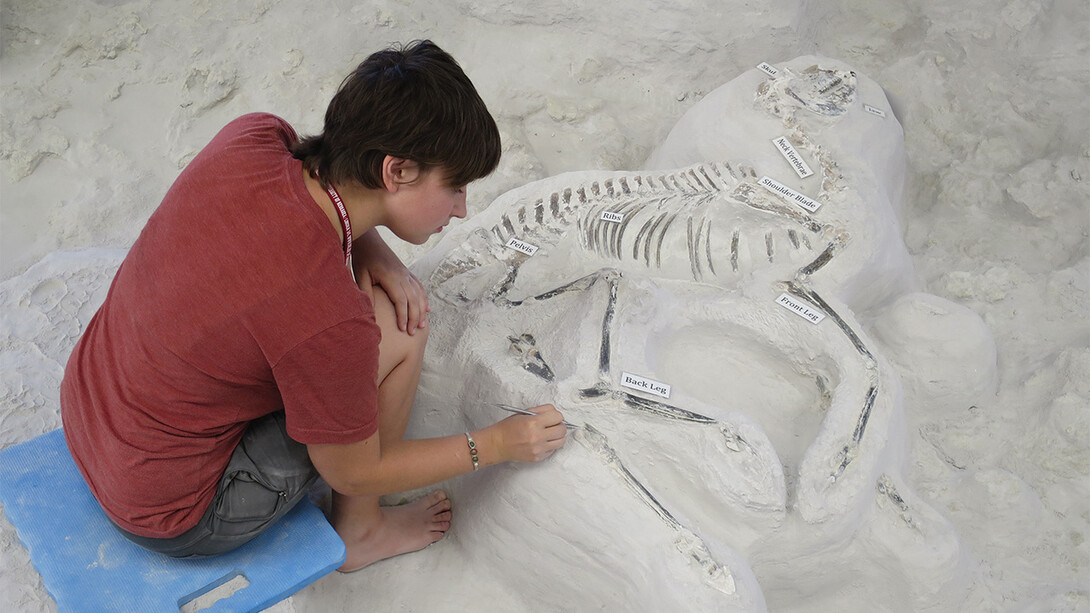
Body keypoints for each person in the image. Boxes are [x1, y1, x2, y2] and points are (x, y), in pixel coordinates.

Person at [60, 40, 567, 572]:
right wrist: (494, 444)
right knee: (399, 329)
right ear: (396, 172)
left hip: (90, 409)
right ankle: (361, 532)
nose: (462, 210)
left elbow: (316, 188)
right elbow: (356, 471)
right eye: (455, 186)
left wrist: (369, 243)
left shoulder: (252, 138)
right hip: (175, 513)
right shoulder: (331, 319)